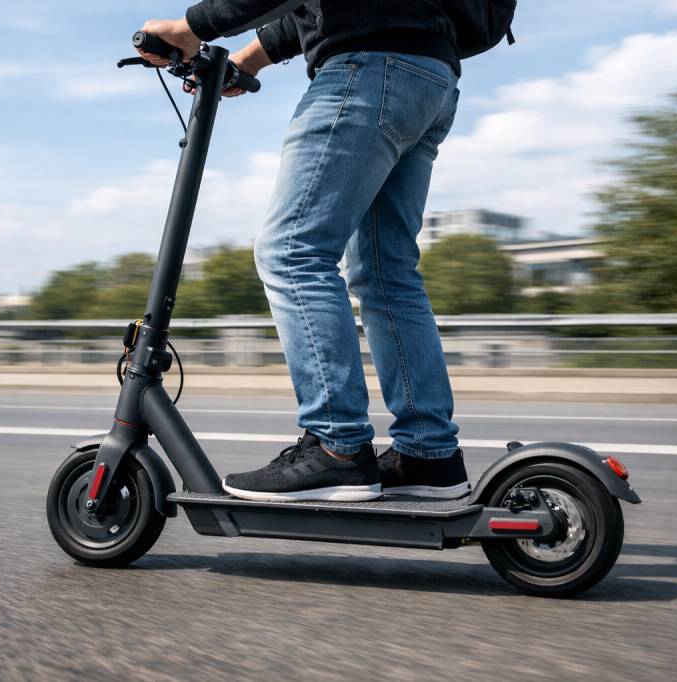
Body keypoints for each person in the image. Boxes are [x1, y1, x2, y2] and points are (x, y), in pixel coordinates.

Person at [138, 1, 469, 503]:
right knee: (386, 273)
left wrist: (189, 27)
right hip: (428, 74)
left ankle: (337, 448)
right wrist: (248, 59)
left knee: (292, 252)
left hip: (367, 69)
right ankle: (429, 455)